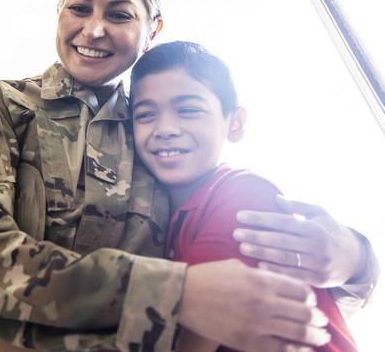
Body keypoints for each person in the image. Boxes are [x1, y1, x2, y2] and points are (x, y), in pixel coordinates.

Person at [0, 0, 378, 351]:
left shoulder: (156, 140)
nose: (94, 29)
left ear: (153, 29)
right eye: (79, 8)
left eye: (119, 14)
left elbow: (250, 298)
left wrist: (357, 262)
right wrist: (175, 291)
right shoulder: (2, 105)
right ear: (58, 10)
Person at [129, 41, 360, 351]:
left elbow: (188, 341)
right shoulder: (160, 218)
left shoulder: (243, 196)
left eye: (188, 110)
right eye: (145, 115)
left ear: (235, 124)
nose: (165, 128)